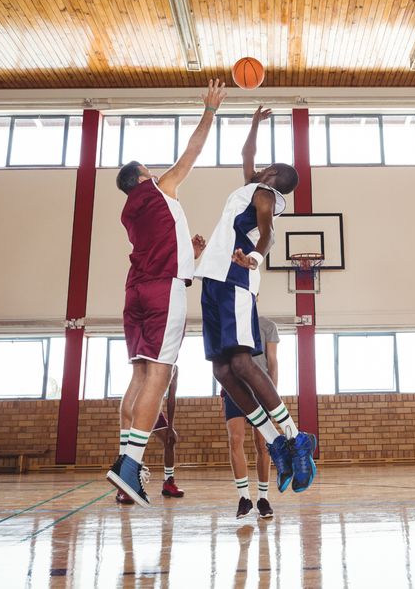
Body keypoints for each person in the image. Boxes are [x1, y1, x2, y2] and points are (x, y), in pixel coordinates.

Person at [107, 79, 227, 508]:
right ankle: (129, 467)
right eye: (149, 171)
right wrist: (210, 110)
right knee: (161, 372)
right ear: (142, 177)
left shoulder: (131, 211)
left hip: (136, 292)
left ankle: (125, 460)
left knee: (139, 374)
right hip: (162, 291)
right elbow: (191, 154)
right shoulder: (158, 190)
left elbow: (161, 249)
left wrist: (188, 255)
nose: (157, 173)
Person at [194, 105, 317, 496]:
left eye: (266, 167)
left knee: (243, 362)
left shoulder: (265, 194)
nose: (258, 166)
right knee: (222, 371)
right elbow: (246, 156)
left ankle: (296, 438)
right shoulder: (251, 185)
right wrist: (252, 123)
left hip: (235, 277)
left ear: (272, 176)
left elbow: (266, 235)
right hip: (212, 280)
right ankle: (274, 440)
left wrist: (255, 258)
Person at [221, 312, 281, 518]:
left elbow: (272, 361)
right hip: (234, 389)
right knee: (235, 439)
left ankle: (263, 498)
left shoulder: (267, 325)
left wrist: (271, 394)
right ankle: (244, 498)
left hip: (260, 389)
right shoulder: (229, 323)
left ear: (255, 297)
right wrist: (223, 392)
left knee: (263, 444)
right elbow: (222, 362)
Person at [116, 366, 183, 504]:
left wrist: (170, 427)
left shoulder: (174, 368)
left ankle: (168, 482)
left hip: (154, 409)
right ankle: (122, 487)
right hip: (135, 406)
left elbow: (171, 398)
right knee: (128, 446)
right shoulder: (150, 362)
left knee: (169, 441)